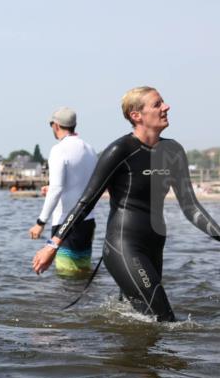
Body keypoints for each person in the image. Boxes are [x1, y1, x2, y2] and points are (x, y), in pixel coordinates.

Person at [33, 87, 220, 321]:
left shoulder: (173, 151)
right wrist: (53, 245)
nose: (166, 107)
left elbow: (191, 207)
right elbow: (86, 201)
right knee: (164, 320)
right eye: (157, 104)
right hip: (124, 246)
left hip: (154, 246)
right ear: (136, 115)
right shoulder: (120, 150)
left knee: (138, 319)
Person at [28, 107, 99, 275]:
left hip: (65, 222)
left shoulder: (59, 149)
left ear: (56, 125)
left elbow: (57, 188)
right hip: (88, 220)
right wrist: (52, 187)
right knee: (81, 270)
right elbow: (85, 183)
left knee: (66, 274)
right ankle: (88, 301)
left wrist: (40, 223)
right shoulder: (89, 148)